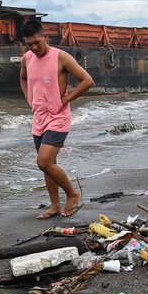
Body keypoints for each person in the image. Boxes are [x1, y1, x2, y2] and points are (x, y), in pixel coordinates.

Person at [20, 20, 95, 218]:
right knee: (49, 165)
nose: (34, 48)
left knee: (43, 162)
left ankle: (72, 194)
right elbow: (23, 78)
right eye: (30, 44)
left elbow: (87, 80)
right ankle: (54, 206)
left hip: (58, 117)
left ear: (46, 37)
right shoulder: (27, 58)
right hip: (39, 117)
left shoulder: (61, 57)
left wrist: (67, 98)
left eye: (38, 42)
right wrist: (29, 98)